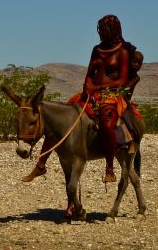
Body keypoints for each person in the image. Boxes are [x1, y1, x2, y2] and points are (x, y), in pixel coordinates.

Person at [22, 14, 140, 184]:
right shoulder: (96, 50)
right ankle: (41, 164)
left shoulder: (122, 51)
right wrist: (87, 85)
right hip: (90, 93)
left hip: (111, 95)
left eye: (103, 30)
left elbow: (121, 80)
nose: (100, 33)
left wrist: (97, 88)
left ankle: (109, 168)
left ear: (112, 30)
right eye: (99, 30)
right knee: (60, 121)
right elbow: (90, 73)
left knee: (107, 124)